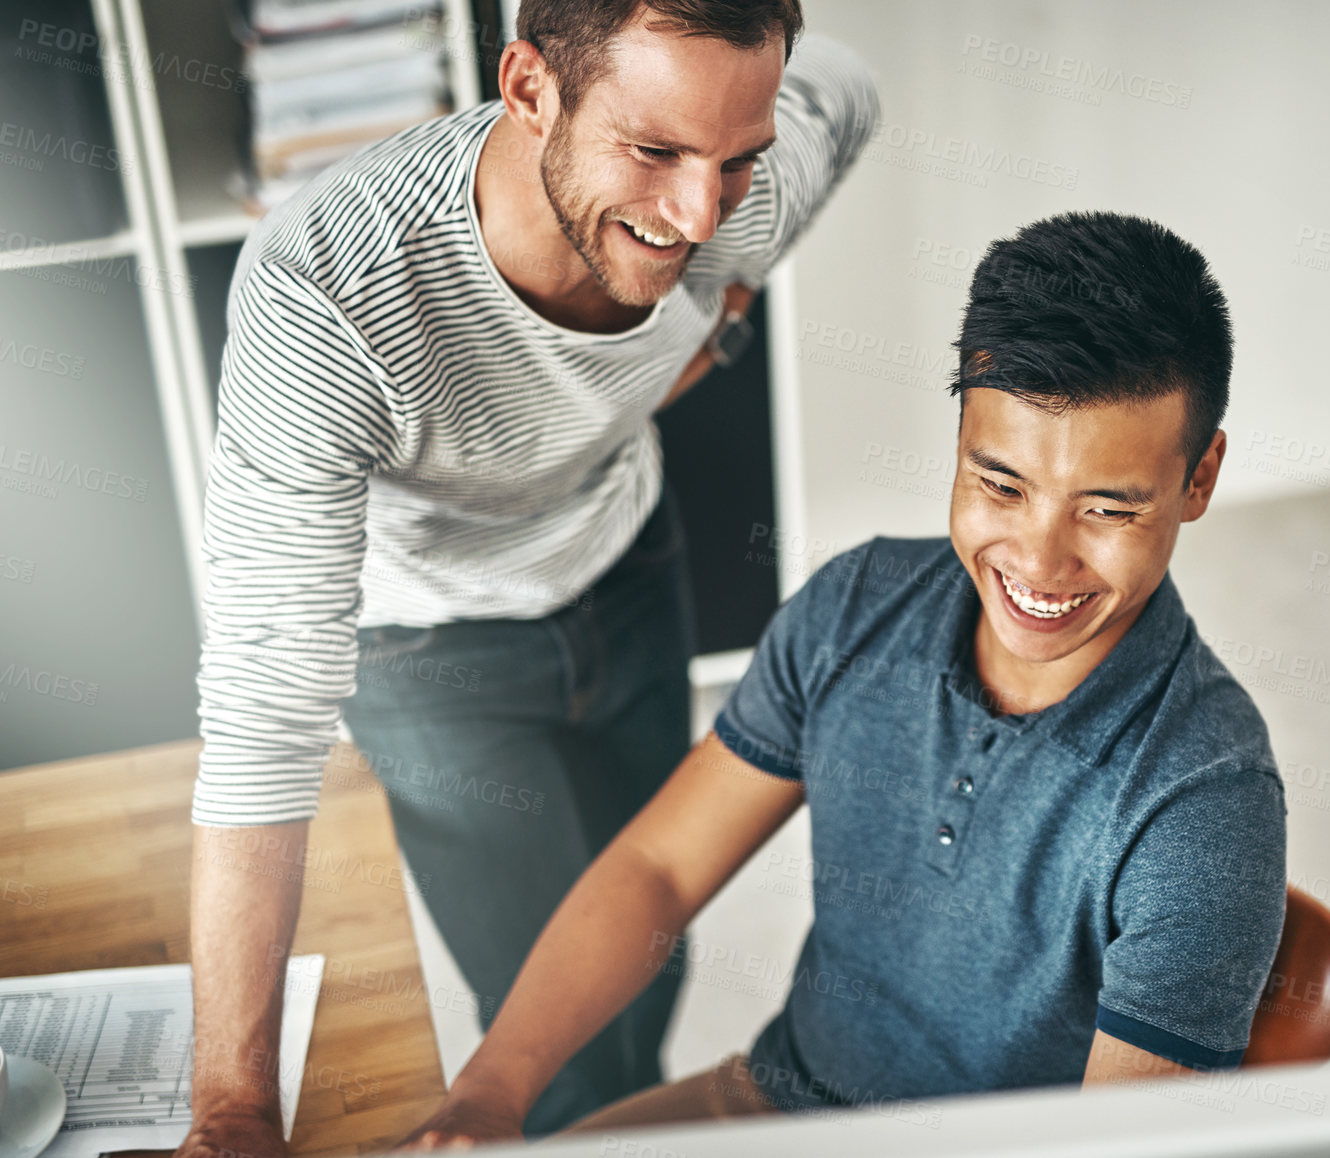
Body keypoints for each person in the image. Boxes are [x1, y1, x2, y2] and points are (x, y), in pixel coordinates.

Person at [392, 211, 1289, 1145]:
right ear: (959, 439)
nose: (1039, 560)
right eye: (1000, 486)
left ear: (1200, 477)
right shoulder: (858, 608)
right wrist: (489, 1092)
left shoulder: (1205, 804)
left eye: (1107, 509)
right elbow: (656, 870)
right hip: (769, 1105)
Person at [178, 2, 878, 1155]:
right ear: (528, 87)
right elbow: (263, 708)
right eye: (653, 152)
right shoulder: (323, 292)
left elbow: (844, 90)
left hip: (626, 567)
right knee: (540, 1039)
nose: (698, 215)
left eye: (736, 162)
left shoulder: (739, 176)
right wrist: (233, 1110)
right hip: (431, 653)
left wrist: (728, 322)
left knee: (646, 959)